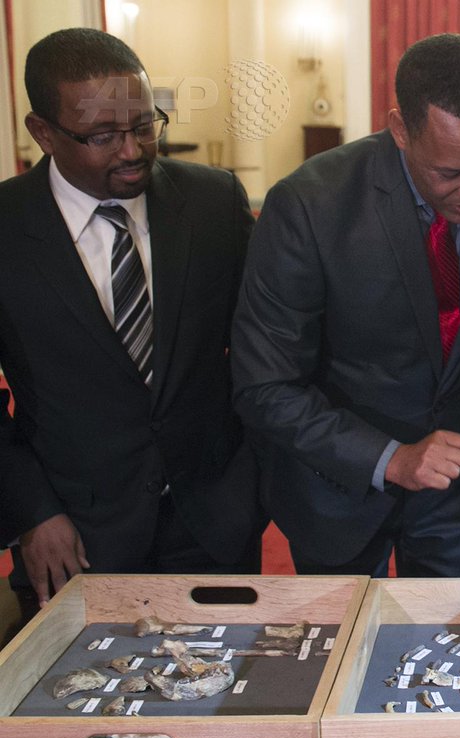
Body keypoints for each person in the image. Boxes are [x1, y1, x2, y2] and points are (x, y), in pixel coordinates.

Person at [232, 34, 460, 578]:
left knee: (450, 655)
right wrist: (391, 457)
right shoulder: (311, 205)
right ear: (400, 129)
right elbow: (263, 385)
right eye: (449, 173)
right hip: (338, 489)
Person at [0, 28, 263, 613]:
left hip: (214, 524)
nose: (132, 150)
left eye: (145, 125)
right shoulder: (6, 229)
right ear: (42, 133)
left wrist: (254, 482)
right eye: (102, 135)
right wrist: (31, 513)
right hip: (74, 535)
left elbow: (266, 348)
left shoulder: (215, 203)